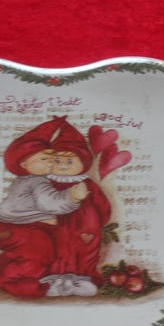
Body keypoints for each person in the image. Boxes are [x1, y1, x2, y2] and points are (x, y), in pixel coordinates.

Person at [0, 116, 87, 298]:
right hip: (21, 229)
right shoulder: (37, 181)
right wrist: (72, 196)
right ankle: (11, 281)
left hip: (6, 227)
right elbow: (50, 204)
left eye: (51, 158)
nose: (50, 162)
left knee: (22, 251)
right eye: (44, 158)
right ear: (24, 164)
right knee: (40, 253)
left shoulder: (23, 180)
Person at [46, 118, 111, 296]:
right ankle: (57, 280)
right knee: (57, 249)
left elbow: (102, 204)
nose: (62, 166)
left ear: (83, 162)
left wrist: (99, 222)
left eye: (69, 161)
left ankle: (82, 279)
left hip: (85, 227)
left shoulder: (88, 184)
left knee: (84, 251)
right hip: (57, 224)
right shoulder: (47, 184)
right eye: (57, 160)